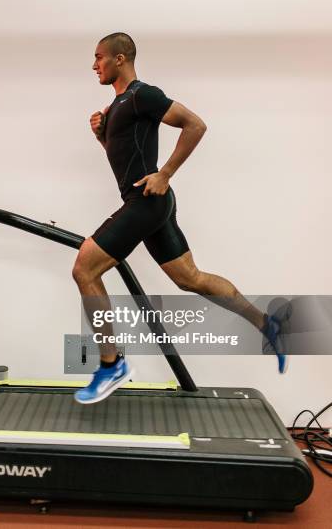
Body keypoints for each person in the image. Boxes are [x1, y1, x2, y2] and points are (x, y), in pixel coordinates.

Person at [72, 32, 286, 405]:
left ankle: (111, 365)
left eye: (100, 58)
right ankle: (266, 323)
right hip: (151, 203)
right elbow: (123, 160)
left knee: (84, 270)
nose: (95, 65)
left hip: (147, 200)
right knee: (191, 279)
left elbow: (196, 124)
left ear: (120, 58)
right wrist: (102, 138)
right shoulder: (118, 105)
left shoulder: (142, 94)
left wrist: (166, 172)